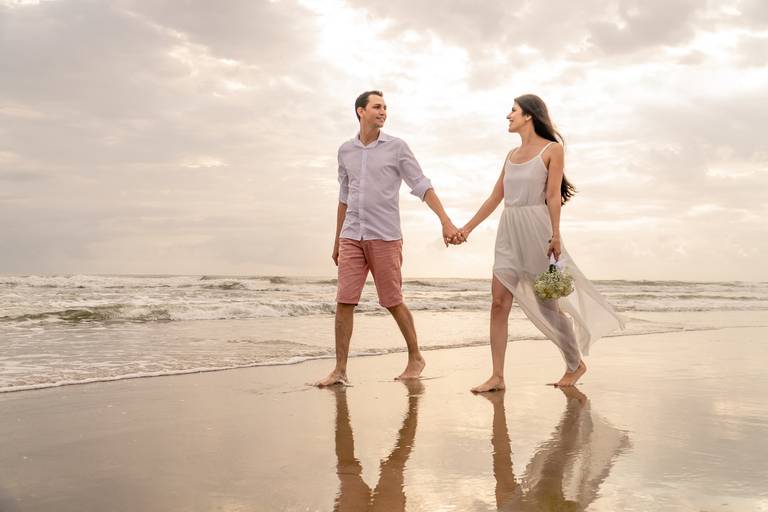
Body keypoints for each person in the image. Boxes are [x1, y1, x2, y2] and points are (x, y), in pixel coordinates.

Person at [455, 94, 624, 392]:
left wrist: (555, 234)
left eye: (513, 110)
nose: (508, 116)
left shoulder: (552, 150)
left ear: (529, 115)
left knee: (548, 306)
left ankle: (575, 363)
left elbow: (552, 195)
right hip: (509, 230)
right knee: (498, 303)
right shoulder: (510, 155)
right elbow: (496, 196)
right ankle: (497, 376)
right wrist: (467, 228)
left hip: (537, 229)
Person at [314, 90, 462, 387]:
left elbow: (421, 185)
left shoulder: (397, 148)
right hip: (352, 234)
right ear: (360, 111)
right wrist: (337, 240)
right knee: (344, 301)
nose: (383, 112)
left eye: (385, 108)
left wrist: (445, 221)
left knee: (392, 301)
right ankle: (340, 370)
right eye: (377, 107)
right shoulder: (345, 151)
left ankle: (416, 357)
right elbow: (344, 196)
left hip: (385, 236)